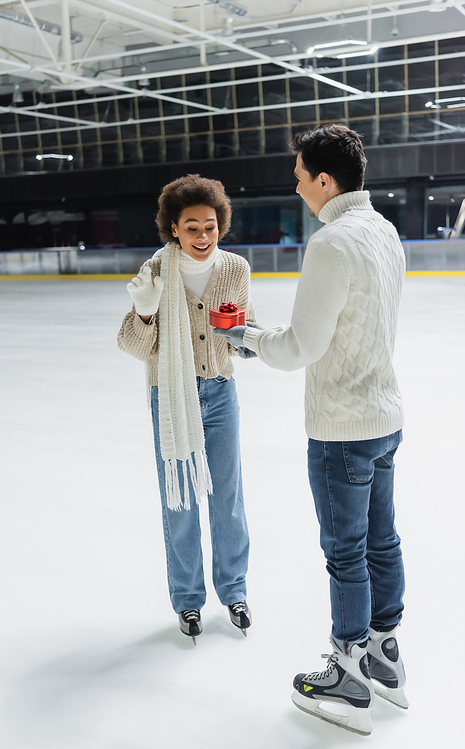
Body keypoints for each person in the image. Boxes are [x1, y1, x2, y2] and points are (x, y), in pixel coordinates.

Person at [214, 125, 407, 735]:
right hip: (384, 417)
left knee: (345, 551)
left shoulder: (332, 243)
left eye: (300, 178)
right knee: (382, 542)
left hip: (342, 426)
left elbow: (301, 347)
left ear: (325, 180)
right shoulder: (383, 231)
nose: (297, 188)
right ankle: (385, 653)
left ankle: (348, 672)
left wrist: (247, 339)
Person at [117, 174, 256, 643]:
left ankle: (234, 589)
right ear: (174, 228)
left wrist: (244, 335)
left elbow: (245, 334)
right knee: (178, 502)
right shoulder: (156, 270)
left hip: (219, 393)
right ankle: (188, 600)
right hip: (171, 397)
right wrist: (145, 311)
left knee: (228, 499)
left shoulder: (235, 268)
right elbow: (133, 344)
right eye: (192, 227)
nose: (203, 237)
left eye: (211, 227)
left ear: (222, 226)